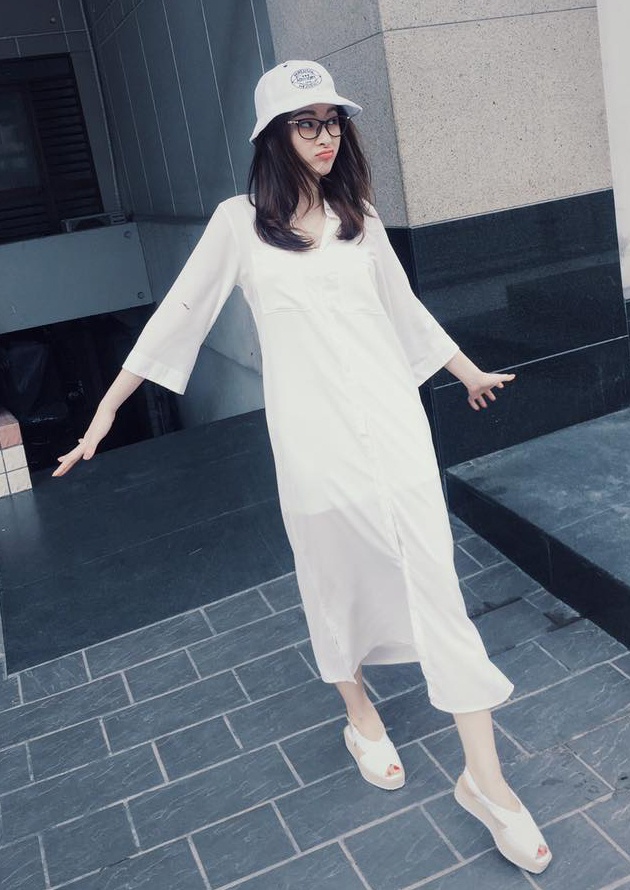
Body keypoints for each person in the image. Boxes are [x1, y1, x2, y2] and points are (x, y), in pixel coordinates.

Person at [53, 60, 551, 874]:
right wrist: (107, 409)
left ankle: (487, 784)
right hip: (316, 446)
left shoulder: (360, 217)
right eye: (305, 123)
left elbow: (404, 310)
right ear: (272, 137)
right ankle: (359, 712)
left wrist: (466, 372)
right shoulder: (237, 224)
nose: (325, 137)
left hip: (395, 433)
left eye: (333, 121)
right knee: (333, 579)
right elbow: (178, 315)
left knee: (438, 589)